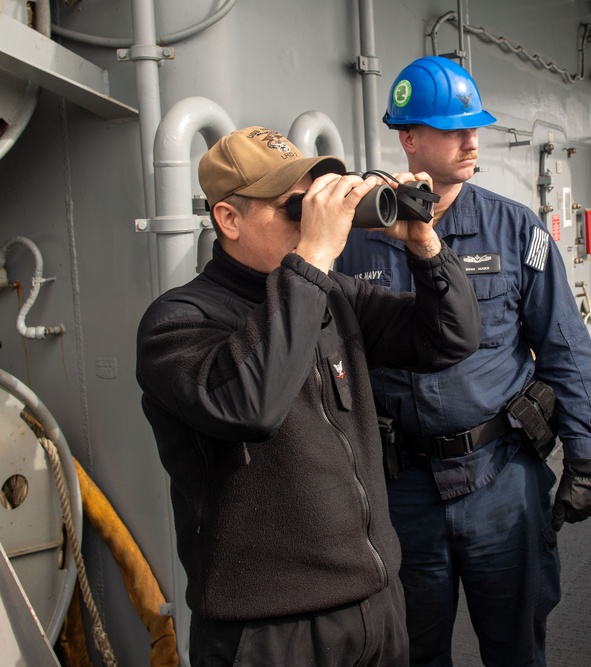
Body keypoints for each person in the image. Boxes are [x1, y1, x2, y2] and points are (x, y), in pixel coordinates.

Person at [135, 126, 481, 666]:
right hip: (271, 629)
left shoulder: (331, 295)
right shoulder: (177, 323)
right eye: (295, 207)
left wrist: (425, 246)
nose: (313, 220)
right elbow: (250, 405)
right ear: (229, 219)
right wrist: (313, 256)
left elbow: (450, 337)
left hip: (375, 604)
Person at [339, 56, 591, 666]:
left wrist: (586, 458)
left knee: (515, 644)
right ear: (409, 139)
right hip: (400, 487)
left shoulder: (514, 230)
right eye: (452, 128)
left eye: (475, 126)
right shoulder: (353, 241)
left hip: (501, 479)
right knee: (411, 651)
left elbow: (563, 344)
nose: (471, 140)